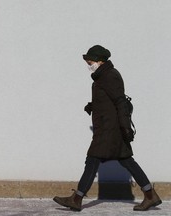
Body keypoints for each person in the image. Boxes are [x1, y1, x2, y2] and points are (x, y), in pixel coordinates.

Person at [53, 45, 162, 211]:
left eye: (90, 61)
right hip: (108, 128)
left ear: (100, 61)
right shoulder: (102, 76)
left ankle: (76, 199)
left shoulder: (110, 76)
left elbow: (120, 101)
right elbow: (108, 99)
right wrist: (93, 106)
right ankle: (150, 195)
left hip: (109, 130)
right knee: (127, 161)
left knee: (92, 160)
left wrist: (126, 127)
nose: (88, 65)